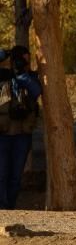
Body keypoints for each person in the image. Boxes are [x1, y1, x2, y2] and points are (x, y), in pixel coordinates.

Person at [0, 46, 42, 211]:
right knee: (1, 175)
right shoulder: (2, 76)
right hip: (2, 134)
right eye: (20, 58)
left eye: (25, 58)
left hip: (22, 136)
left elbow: (37, 91)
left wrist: (21, 74)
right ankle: (2, 208)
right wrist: (5, 53)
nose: (23, 61)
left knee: (16, 177)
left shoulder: (29, 78)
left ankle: (9, 207)